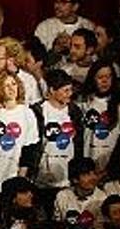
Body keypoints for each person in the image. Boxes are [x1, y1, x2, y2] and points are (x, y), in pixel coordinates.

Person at [0, 70, 41, 212]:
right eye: (6, 85)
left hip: (12, 176)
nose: (11, 88)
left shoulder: (27, 113)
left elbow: (29, 149)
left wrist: (21, 179)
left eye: (14, 84)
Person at [32, 70, 84, 213]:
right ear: (52, 90)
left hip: (67, 179)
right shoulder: (38, 111)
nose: (69, 94)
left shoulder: (74, 111)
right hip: (42, 179)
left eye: (70, 90)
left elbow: (79, 143)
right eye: (65, 90)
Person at [33, 0, 98, 52]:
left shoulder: (88, 26)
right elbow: (35, 54)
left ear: (75, 6)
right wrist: (55, 49)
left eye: (63, 2)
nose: (57, 6)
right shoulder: (44, 27)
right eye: (56, 1)